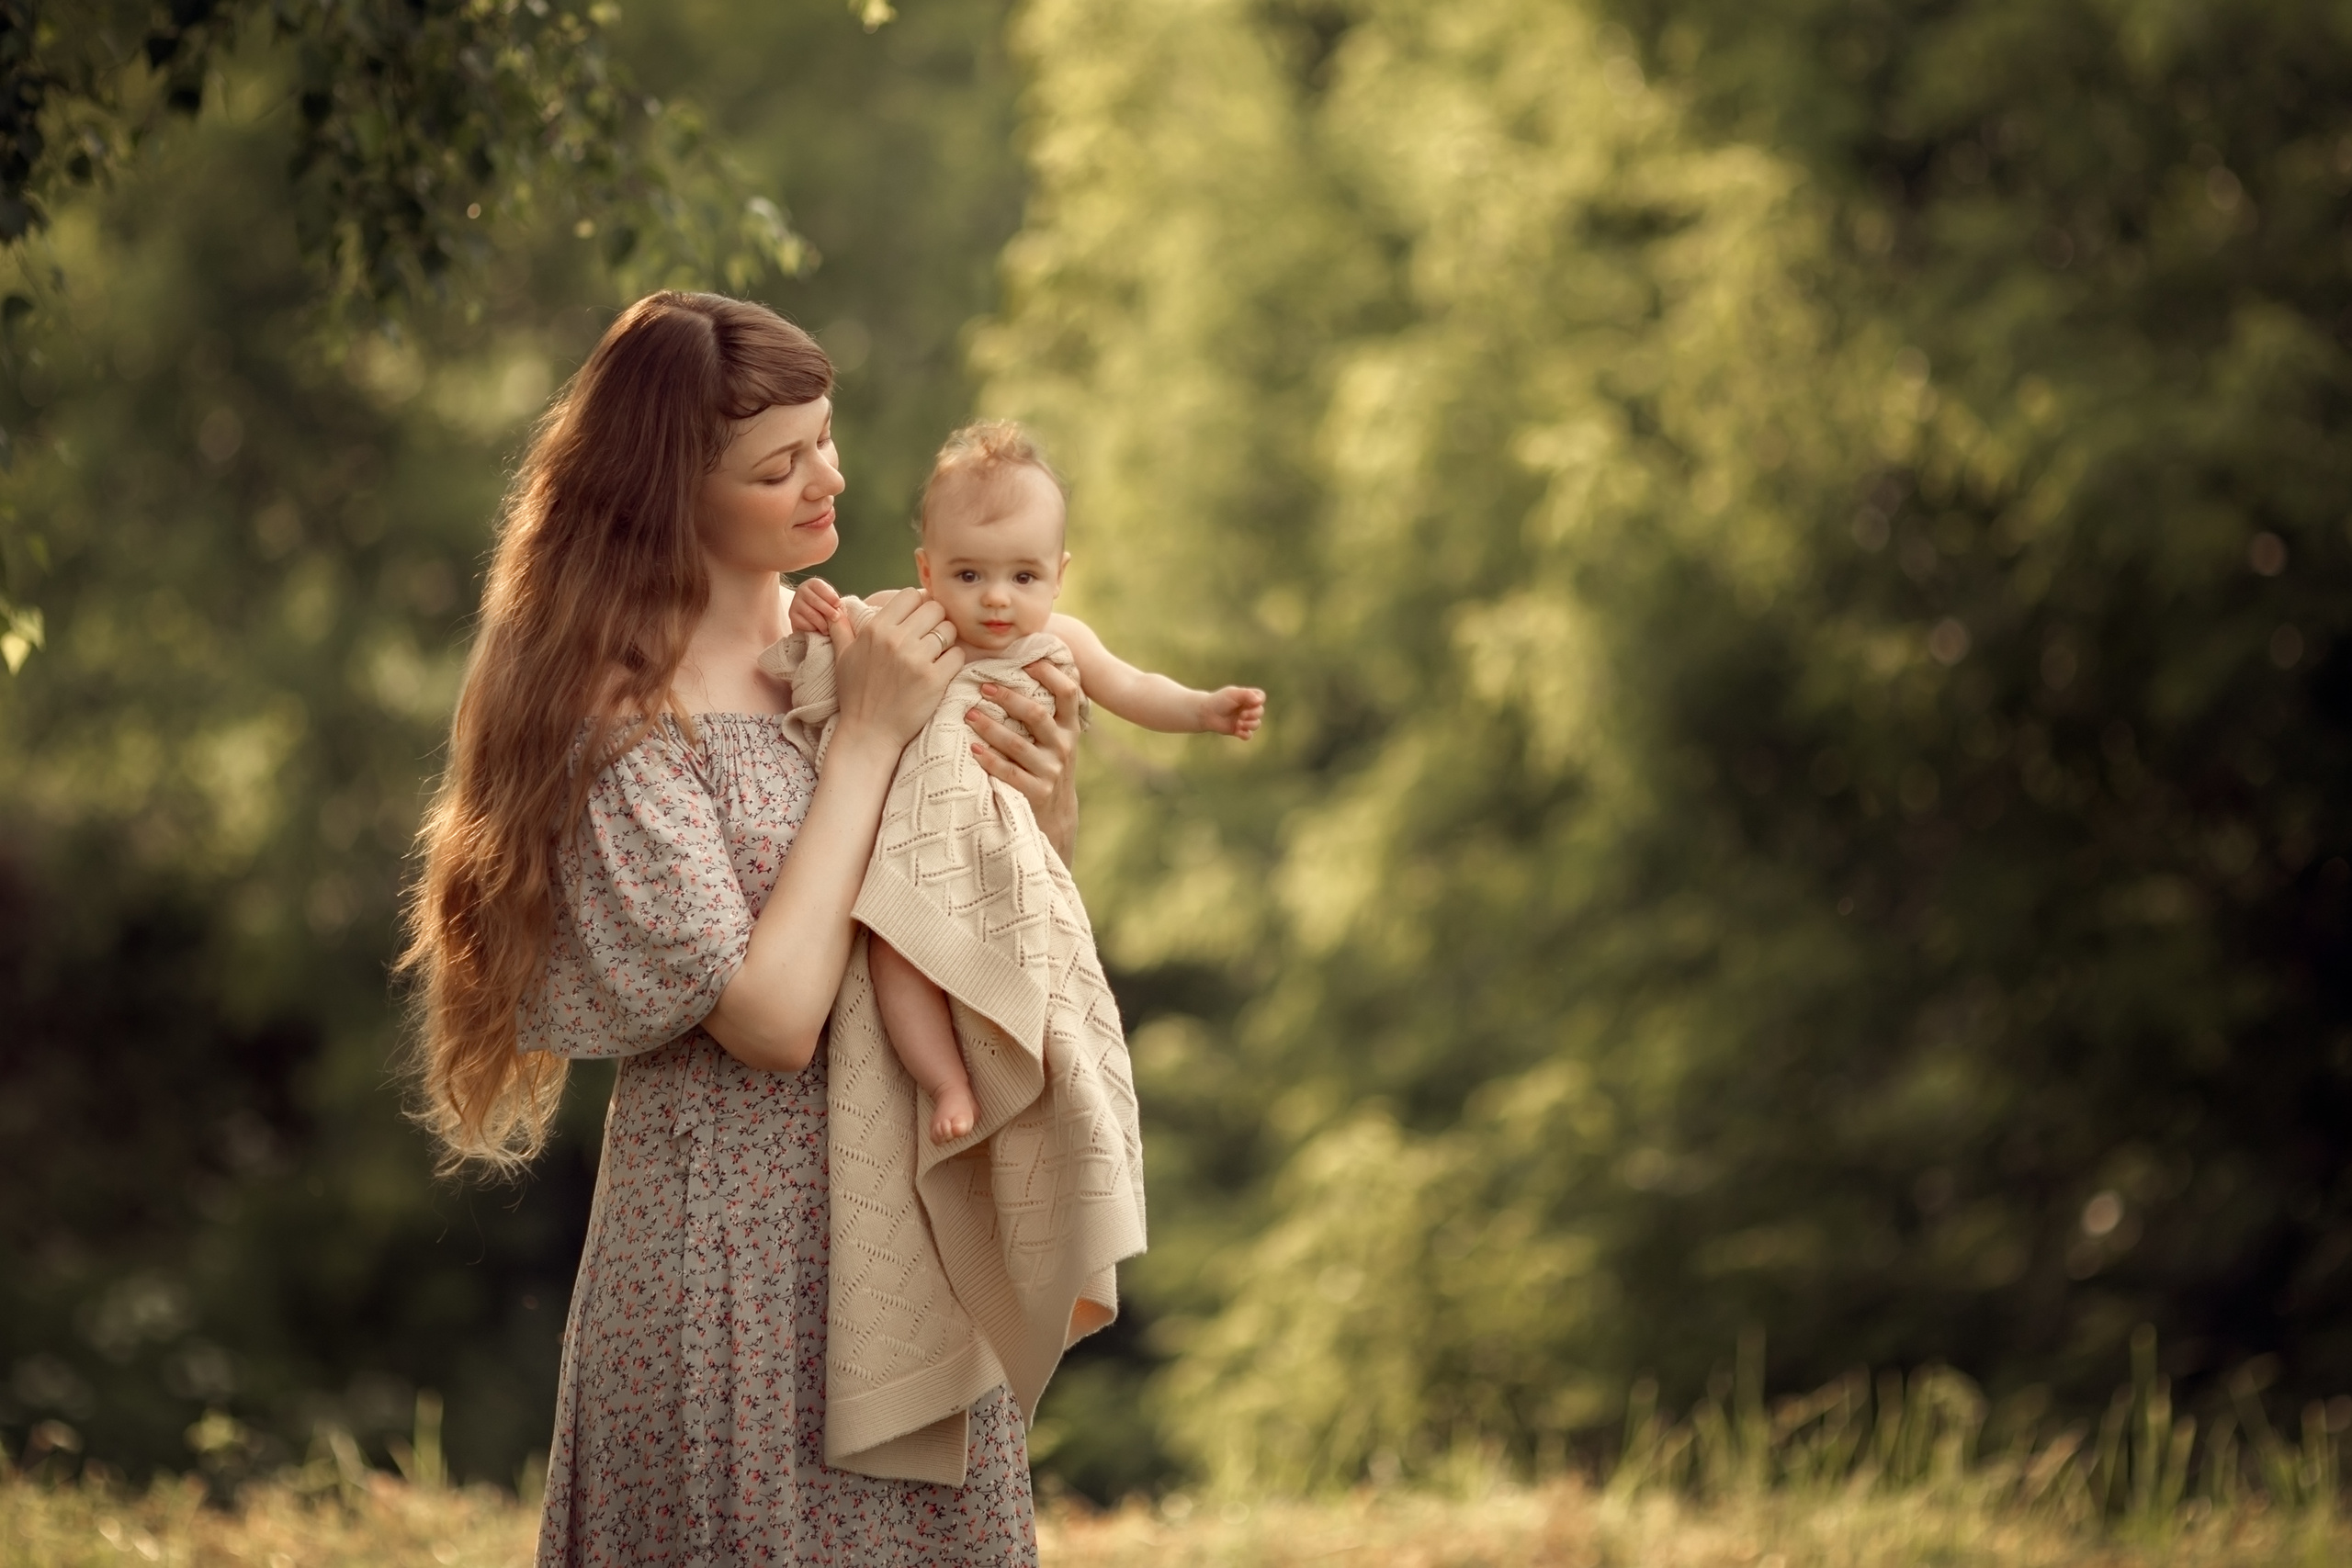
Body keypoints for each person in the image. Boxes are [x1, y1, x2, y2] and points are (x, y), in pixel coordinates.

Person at [401, 292, 1079, 1566]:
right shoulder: (624, 719)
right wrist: (867, 740)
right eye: (779, 466)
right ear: (673, 495)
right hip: (733, 1262)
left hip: (909, 1236)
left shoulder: (860, 646)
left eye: (826, 438)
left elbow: (985, 927)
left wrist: (1045, 806)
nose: (831, 478)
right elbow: (770, 1020)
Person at [784, 421, 1263, 1143]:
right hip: (918, 848)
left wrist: (1204, 709)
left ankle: (1029, 1081)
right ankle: (945, 1081)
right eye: (969, 575)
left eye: (1024, 577)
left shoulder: (1061, 639)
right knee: (894, 952)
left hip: (1008, 853)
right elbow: (837, 637)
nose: (997, 599)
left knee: (1028, 954)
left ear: (1059, 575)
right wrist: (812, 611)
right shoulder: (912, 623)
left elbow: (1134, 687)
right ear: (927, 570)